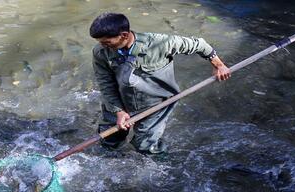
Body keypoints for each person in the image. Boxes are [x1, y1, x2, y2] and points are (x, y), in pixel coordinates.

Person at [89, 13, 230, 154]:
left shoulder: (160, 43)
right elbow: (105, 83)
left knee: (146, 145)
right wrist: (118, 111)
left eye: (107, 42)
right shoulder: (100, 52)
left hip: (155, 103)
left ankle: (165, 166)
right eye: (100, 42)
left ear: (124, 35)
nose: (102, 46)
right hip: (119, 100)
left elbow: (200, 45)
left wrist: (219, 65)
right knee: (109, 140)